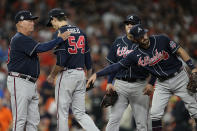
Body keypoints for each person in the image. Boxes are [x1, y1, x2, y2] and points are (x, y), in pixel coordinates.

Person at [87, 24, 197, 131]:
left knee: (194, 109)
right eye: (140, 36)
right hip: (162, 83)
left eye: (144, 34)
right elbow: (116, 66)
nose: (144, 37)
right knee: (154, 114)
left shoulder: (162, 39)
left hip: (179, 76)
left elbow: (180, 50)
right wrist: (97, 74)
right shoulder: (135, 55)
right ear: (135, 40)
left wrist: (193, 68)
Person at [7, 10, 70, 131]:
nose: (32, 23)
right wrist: (59, 39)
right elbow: (41, 48)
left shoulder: (25, 39)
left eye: (33, 21)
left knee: (33, 121)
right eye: (29, 20)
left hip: (30, 83)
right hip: (19, 80)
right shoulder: (19, 38)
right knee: (20, 119)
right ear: (19, 23)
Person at [46, 8, 99, 131]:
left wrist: (52, 76)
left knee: (62, 113)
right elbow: (88, 61)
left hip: (66, 75)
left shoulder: (60, 32)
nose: (52, 26)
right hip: (81, 74)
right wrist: (88, 78)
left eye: (52, 22)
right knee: (80, 113)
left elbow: (61, 62)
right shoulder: (81, 32)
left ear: (54, 19)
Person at [105, 15, 154, 131]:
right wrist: (109, 82)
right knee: (113, 119)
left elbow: (156, 66)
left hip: (140, 85)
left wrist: (151, 83)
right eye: (127, 23)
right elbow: (113, 64)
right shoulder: (118, 42)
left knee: (142, 123)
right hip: (120, 85)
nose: (129, 26)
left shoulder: (146, 43)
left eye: (133, 23)